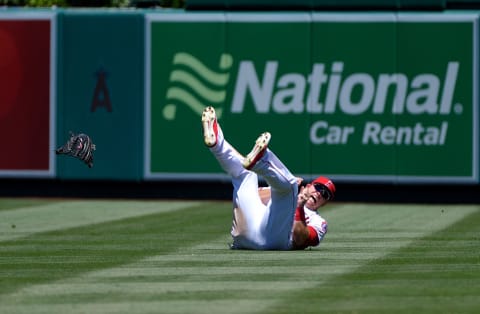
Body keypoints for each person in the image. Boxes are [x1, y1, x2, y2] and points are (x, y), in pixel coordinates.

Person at [202, 106, 335, 250]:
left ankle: (262, 160)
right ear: (308, 186)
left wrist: (298, 206)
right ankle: (216, 144)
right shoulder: (285, 193)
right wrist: (282, 192)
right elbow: (253, 196)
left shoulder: (319, 222)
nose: (320, 193)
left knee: (289, 185)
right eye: (319, 187)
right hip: (245, 234)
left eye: (325, 194)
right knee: (245, 175)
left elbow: (300, 239)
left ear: (324, 203)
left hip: (274, 242)